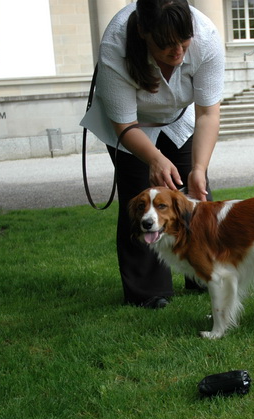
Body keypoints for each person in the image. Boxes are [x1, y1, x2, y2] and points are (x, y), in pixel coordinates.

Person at [80, 0, 225, 309]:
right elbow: (125, 124)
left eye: (183, 42)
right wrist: (155, 159)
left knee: (194, 196)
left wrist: (199, 167)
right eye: (165, 45)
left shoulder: (207, 36)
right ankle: (148, 292)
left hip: (179, 121)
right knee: (142, 199)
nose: (177, 51)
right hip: (131, 129)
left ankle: (202, 272)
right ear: (144, 33)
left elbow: (208, 114)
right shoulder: (116, 43)